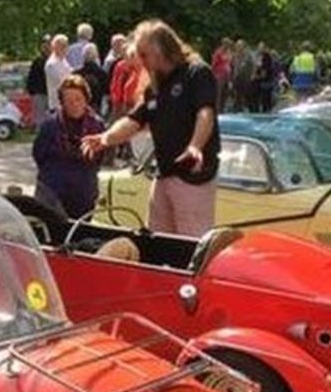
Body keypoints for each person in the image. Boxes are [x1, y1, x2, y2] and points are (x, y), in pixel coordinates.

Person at [81, 19, 219, 237]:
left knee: (191, 244)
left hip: (193, 178)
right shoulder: (154, 87)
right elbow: (134, 120)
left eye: (143, 55)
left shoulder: (197, 73)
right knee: (157, 241)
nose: (141, 62)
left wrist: (195, 146)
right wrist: (105, 138)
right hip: (164, 174)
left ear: (159, 49)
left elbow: (206, 113)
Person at [32, 75, 106, 219]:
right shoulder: (50, 125)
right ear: (62, 102)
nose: (74, 104)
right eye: (69, 100)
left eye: (78, 99)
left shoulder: (97, 126)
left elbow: (100, 158)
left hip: (84, 191)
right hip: (52, 191)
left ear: (86, 99)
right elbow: (38, 154)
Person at [75, 43, 109, 111]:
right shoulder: (102, 74)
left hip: (79, 106)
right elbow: (106, 92)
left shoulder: (76, 73)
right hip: (96, 107)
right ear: (96, 55)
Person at [26, 35, 51, 127]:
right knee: (39, 116)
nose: (46, 48)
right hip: (39, 92)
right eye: (45, 45)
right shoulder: (38, 61)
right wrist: (31, 90)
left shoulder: (54, 61)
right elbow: (31, 77)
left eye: (49, 45)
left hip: (51, 92)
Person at [45, 34, 72, 111]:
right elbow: (62, 81)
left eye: (66, 46)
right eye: (62, 46)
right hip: (56, 104)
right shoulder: (51, 64)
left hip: (66, 102)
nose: (65, 49)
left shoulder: (64, 61)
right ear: (55, 47)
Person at [231, 39, 255, 113]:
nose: (238, 47)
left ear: (243, 46)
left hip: (246, 77)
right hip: (237, 77)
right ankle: (237, 109)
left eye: (240, 45)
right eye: (237, 46)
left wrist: (252, 74)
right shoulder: (235, 55)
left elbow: (253, 65)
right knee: (237, 94)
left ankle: (250, 109)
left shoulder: (248, 55)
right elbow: (233, 66)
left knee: (247, 94)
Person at [210, 37, 233, 113]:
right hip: (219, 75)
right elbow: (213, 64)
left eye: (229, 45)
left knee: (225, 93)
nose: (228, 46)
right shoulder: (218, 52)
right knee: (219, 93)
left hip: (227, 76)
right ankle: (217, 109)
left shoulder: (229, 53)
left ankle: (222, 109)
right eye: (226, 44)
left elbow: (230, 63)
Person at [254, 42, 276, 113]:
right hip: (261, 80)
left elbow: (265, 69)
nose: (260, 49)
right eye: (259, 47)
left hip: (267, 80)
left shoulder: (267, 57)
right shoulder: (259, 56)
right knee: (262, 97)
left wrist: (259, 76)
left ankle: (267, 110)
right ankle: (263, 109)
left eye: (261, 48)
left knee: (266, 97)